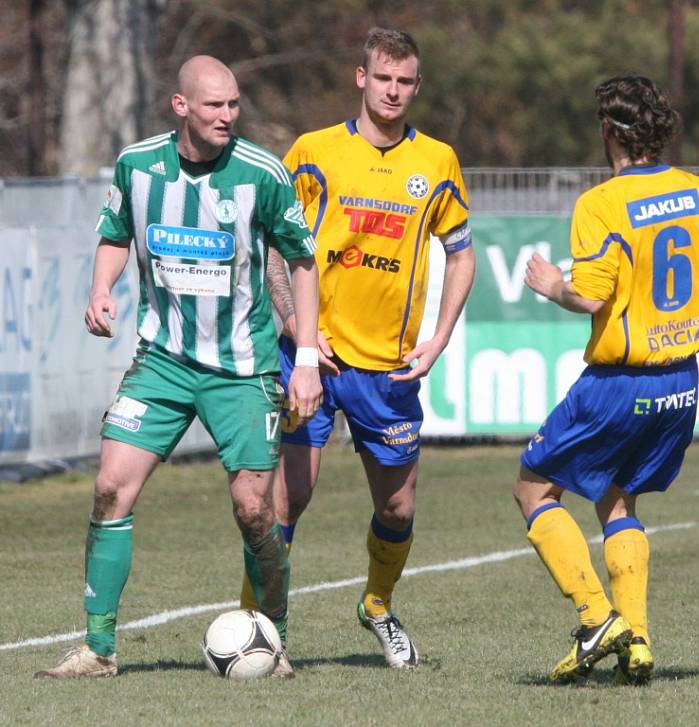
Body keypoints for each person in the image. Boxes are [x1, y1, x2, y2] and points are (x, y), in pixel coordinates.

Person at [34, 55, 323, 680]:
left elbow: (302, 261)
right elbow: (114, 232)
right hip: (162, 360)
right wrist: (100, 289)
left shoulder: (263, 173)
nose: (228, 115)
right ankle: (98, 648)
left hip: (242, 369)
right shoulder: (137, 166)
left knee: (254, 509)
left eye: (235, 104)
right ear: (181, 106)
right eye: (215, 104)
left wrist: (304, 359)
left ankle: (274, 640)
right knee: (111, 485)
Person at [516, 75, 699, 685]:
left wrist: (553, 283)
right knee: (616, 496)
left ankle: (598, 616)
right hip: (680, 383)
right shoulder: (697, 192)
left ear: (608, 130)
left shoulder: (601, 204)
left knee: (532, 488)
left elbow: (590, 295)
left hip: (619, 383)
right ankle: (638, 645)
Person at [240, 27, 476, 669]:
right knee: (285, 498)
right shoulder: (314, 152)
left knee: (397, 506)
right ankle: (260, 629)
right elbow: (271, 245)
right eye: (384, 78)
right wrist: (295, 326)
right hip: (312, 359)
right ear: (361, 78)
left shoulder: (437, 161)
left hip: (389, 368)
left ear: (416, 86)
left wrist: (440, 336)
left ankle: (377, 604)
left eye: (405, 82)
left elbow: (461, 253)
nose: (393, 91)